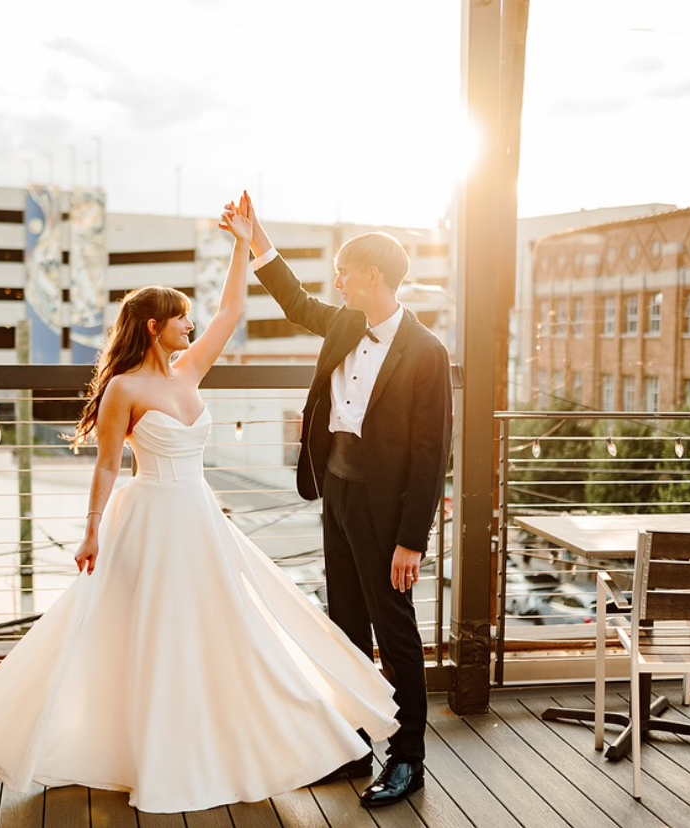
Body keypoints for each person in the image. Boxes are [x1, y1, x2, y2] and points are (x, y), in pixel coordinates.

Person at [0, 194, 400, 814]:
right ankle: (140, 753)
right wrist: (91, 530)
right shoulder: (123, 388)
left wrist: (244, 241)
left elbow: (233, 309)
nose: (190, 326)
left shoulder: (188, 373)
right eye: (181, 319)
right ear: (155, 327)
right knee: (148, 637)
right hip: (148, 520)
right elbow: (105, 466)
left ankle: (242, 745)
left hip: (199, 519)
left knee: (227, 632)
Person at [247, 203, 452, 808]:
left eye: (344, 271)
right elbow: (292, 301)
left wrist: (411, 541)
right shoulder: (342, 323)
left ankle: (408, 759)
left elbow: (430, 455)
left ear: (372, 276)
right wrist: (258, 239)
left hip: (387, 513)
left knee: (397, 631)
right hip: (335, 493)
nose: (336, 282)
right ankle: (355, 745)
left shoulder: (428, 352)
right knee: (345, 630)